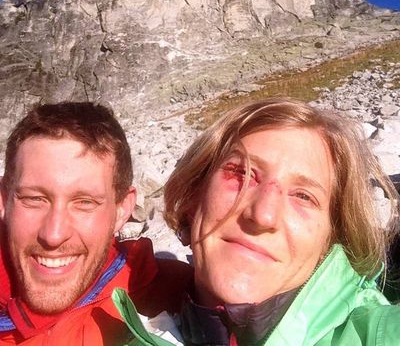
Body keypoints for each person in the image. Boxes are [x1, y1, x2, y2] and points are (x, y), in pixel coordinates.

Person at [114, 97, 400, 345]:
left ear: (330, 240)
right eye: (242, 173)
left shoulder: (379, 333)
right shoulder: (127, 330)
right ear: (192, 196)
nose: (262, 215)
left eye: (303, 196)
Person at [0, 102, 190, 345]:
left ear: (122, 210)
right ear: (4, 200)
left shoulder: (177, 297)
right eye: (34, 199)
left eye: (84, 202)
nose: (54, 234)